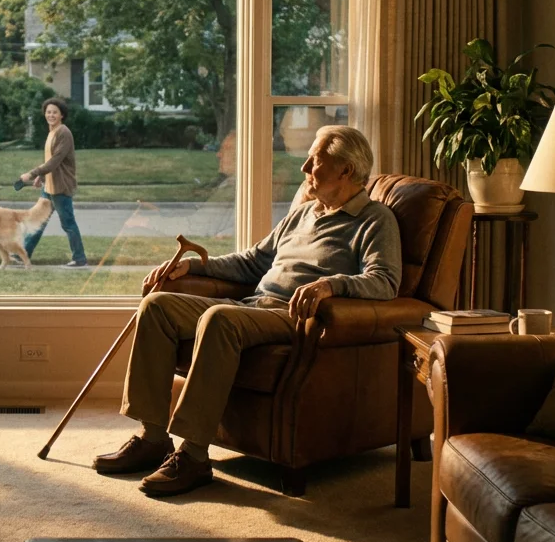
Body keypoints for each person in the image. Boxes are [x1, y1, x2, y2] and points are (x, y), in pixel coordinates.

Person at [92, 125, 401, 497]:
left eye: (315, 160)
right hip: (254, 306)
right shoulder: (302, 214)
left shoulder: (375, 220)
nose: (304, 167)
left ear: (345, 170)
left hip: (296, 317)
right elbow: (254, 260)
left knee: (219, 318)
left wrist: (332, 284)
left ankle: (193, 456)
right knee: (157, 306)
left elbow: (384, 281)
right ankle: (154, 438)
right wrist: (195, 266)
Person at [19, 97, 88, 268]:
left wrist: (32, 173)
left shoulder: (63, 133)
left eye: (55, 112)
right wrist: (41, 177)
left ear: (62, 115)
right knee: (38, 221)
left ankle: (79, 258)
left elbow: (55, 161)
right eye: (48, 112)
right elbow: (51, 161)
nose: (51, 115)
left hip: (60, 187)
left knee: (68, 223)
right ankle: (24, 254)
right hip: (49, 186)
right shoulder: (52, 132)